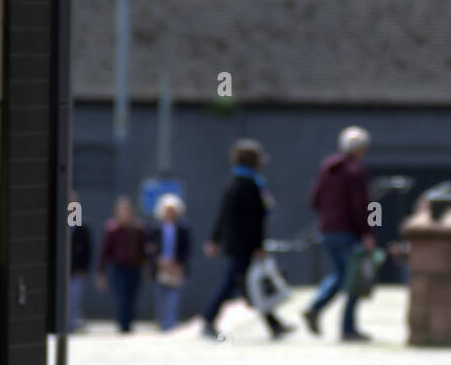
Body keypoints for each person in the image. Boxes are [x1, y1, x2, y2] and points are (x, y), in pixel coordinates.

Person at [201, 139, 294, 340]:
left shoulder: (235, 182)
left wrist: (214, 240)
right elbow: (255, 220)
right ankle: (208, 320)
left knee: (252, 285)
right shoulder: (250, 185)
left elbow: (222, 215)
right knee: (231, 284)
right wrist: (258, 245)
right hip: (244, 246)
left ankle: (274, 324)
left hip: (237, 244)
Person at [304, 126, 375, 342]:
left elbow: (314, 199)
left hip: (327, 230)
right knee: (353, 278)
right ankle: (347, 328)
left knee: (339, 274)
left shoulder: (327, 168)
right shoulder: (356, 172)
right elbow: (359, 206)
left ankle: (316, 307)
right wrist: (367, 233)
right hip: (348, 232)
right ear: (361, 149)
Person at [96, 196, 148, 334]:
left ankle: (128, 325)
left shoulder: (138, 228)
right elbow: (104, 252)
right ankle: (123, 326)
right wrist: (101, 273)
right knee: (122, 298)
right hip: (118, 269)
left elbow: (143, 251)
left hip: (134, 268)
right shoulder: (112, 229)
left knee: (132, 298)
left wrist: (146, 268)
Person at [145, 193, 191, 332]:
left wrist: (177, 264)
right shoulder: (154, 228)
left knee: (173, 302)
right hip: (159, 269)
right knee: (160, 302)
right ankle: (162, 326)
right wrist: (158, 260)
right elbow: (149, 248)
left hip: (176, 269)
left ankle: (169, 328)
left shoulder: (183, 228)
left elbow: (186, 249)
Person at [68, 190, 92, 333]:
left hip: (76, 270)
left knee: (74, 299)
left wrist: (83, 267)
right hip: (62, 270)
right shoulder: (58, 221)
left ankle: (70, 326)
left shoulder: (81, 226)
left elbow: (86, 248)